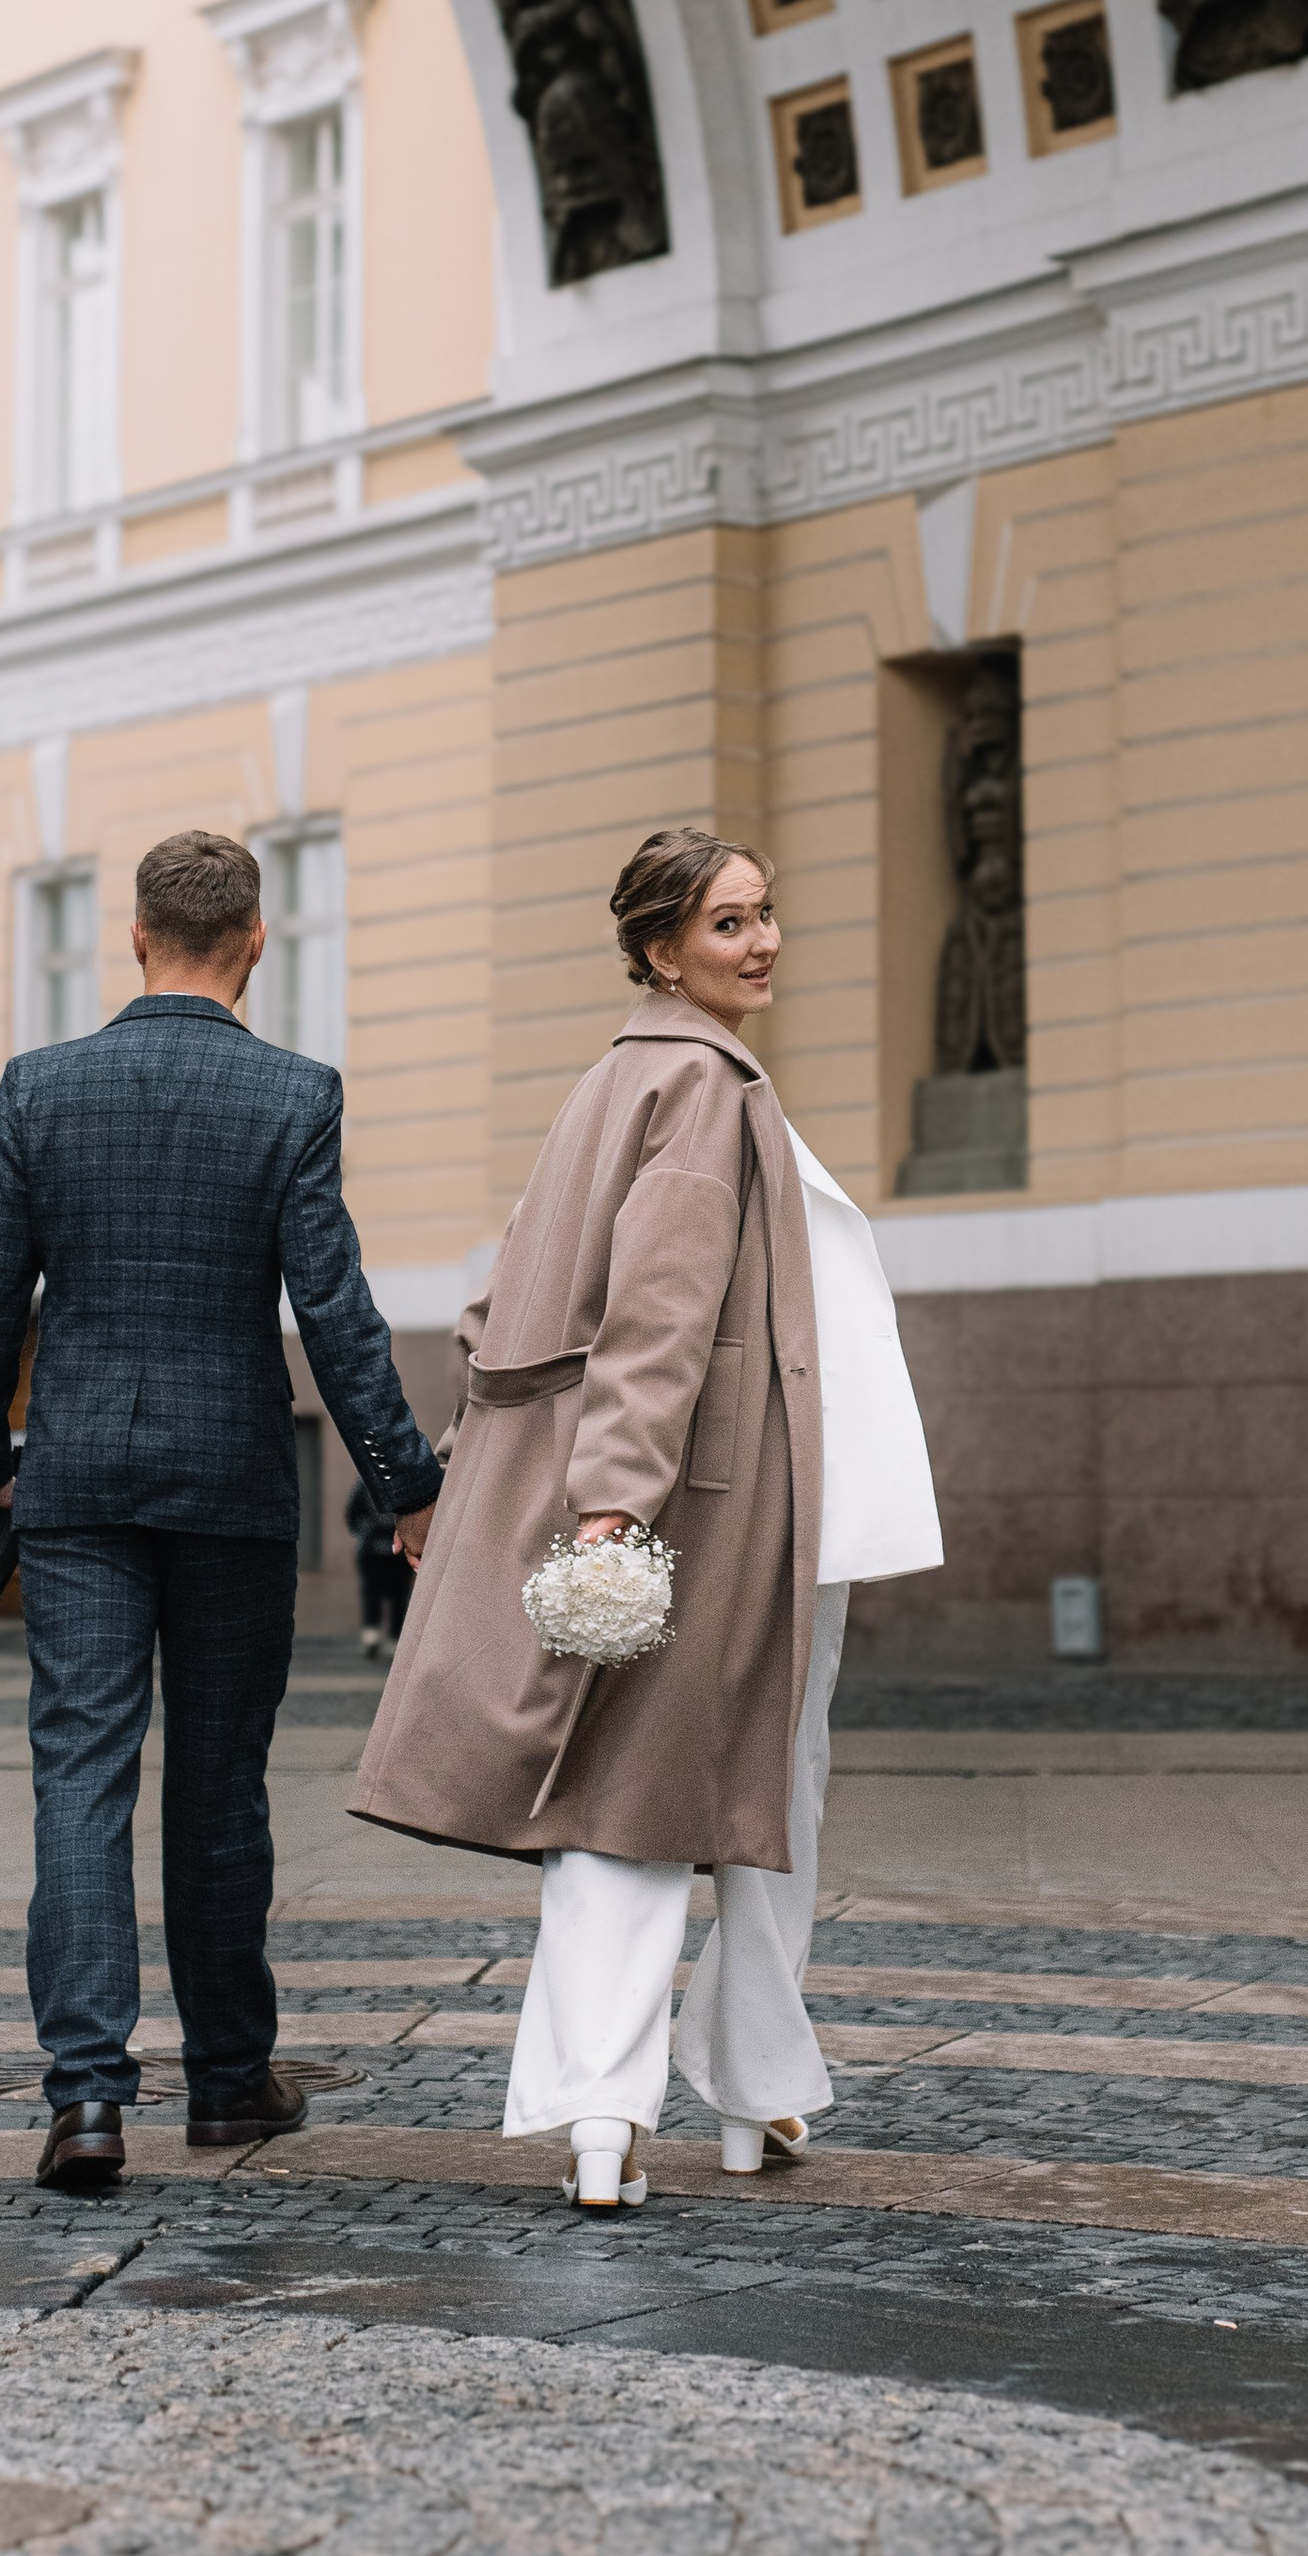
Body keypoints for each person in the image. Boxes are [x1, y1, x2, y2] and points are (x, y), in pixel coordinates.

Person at [354, 825, 943, 2212]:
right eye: (729, 924)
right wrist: (617, 1507)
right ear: (662, 948)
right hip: (718, 1510)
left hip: (714, 1499)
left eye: (767, 913)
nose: (765, 941)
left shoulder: (616, 1081)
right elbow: (657, 1320)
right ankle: (671, 2101)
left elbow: (510, 1302)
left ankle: (708, 2095)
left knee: (672, 1799)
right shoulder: (705, 1088)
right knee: (697, 1800)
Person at [0, 827, 442, 2198]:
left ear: (137, 935)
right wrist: (407, 1483)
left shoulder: (42, 1091)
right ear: (258, 942)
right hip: (231, 1487)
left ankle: (88, 2100)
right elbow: (333, 1312)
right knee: (221, 1784)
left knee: (80, 1779)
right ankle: (227, 2078)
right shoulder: (293, 1095)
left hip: (81, 1486)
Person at [347, 1472, 416, 1658]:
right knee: (378, 1591)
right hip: (377, 1548)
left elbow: (352, 1515)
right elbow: (352, 1515)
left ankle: (386, 1635)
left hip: (393, 1548)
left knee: (395, 1593)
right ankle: (375, 1633)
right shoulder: (366, 1482)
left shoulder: (365, 1482)